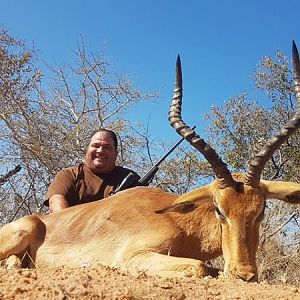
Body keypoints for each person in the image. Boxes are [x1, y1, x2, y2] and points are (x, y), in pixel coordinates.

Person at [45, 129, 140, 213]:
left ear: (116, 153)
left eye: (107, 147)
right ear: (86, 150)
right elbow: (56, 204)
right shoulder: (69, 175)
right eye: (95, 146)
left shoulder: (130, 179)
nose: (100, 151)